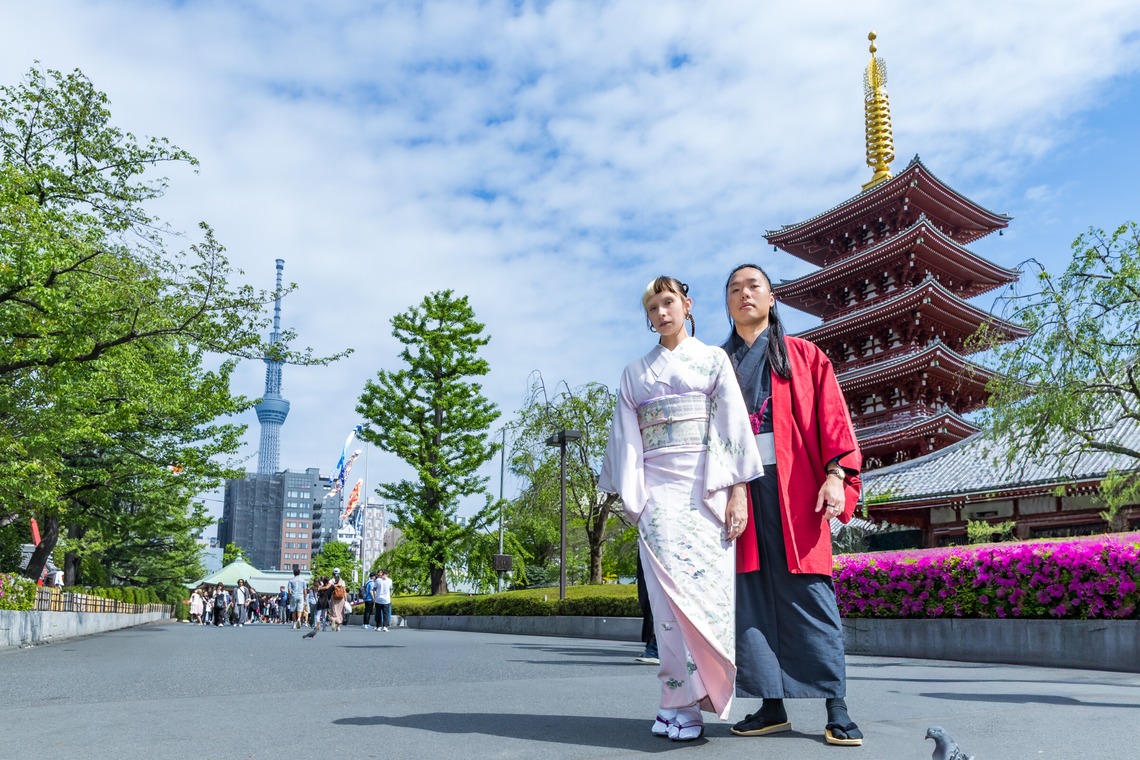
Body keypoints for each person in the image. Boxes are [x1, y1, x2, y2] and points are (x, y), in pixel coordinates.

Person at [600, 276, 764, 742]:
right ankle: (677, 703)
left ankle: (689, 703)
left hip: (704, 491)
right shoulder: (635, 372)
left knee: (704, 601)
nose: (661, 313)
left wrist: (737, 492)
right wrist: (637, 499)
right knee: (666, 603)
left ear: (687, 305)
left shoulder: (714, 360)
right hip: (657, 494)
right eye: (653, 308)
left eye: (668, 302)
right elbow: (626, 441)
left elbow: (731, 428)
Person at [720, 264, 863, 747]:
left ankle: (836, 706)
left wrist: (835, 475)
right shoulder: (716, 363)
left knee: (810, 595)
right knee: (751, 594)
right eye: (735, 289)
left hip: (796, 487)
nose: (744, 295)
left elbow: (833, 420)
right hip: (737, 488)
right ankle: (770, 705)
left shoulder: (805, 357)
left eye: (753, 286)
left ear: (772, 298)